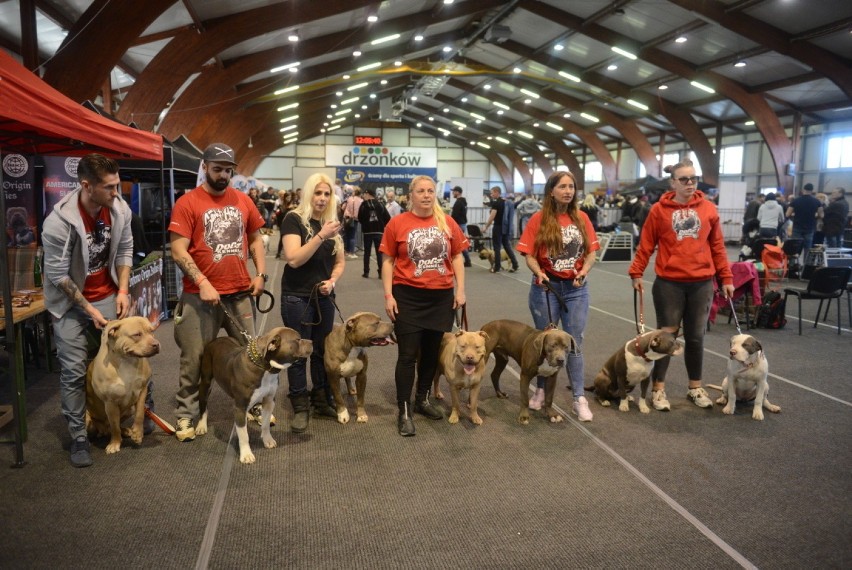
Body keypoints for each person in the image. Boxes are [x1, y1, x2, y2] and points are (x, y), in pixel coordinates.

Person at [168, 143, 267, 442]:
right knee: (194, 359)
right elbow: (177, 249)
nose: (223, 175)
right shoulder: (187, 203)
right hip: (199, 298)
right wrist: (202, 282)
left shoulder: (243, 201)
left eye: (228, 170)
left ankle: (253, 406)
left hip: (239, 295)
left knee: (253, 353)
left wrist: (260, 273)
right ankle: (186, 415)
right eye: (217, 169)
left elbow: (256, 239)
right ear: (204, 166)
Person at [42, 153, 135, 467]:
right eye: (109, 187)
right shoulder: (57, 223)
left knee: (125, 355)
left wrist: (122, 290)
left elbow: (124, 249)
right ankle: (79, 435)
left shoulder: (119, 209)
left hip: (108, 294)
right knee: (73, 371)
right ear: (86, 186)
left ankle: (134, 417)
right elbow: (58, 276)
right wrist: (90, 311)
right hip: (69, 303)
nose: (115, 192)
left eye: (117, 185)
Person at [629, 158, 734, 411]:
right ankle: (658, 390)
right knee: (666, 338)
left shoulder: (708, 208)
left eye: (693, 179)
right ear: (673, 182)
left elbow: (717, 246)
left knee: (696, 338)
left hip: (701, 283)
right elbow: (646, 244)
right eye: (684, 179)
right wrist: (636, 272)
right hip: (669, 284)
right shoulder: (658, 210)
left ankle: (695, 388)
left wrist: (726, 278)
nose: (690, 183)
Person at [380, 175, 467, 436]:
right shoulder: (397, 223)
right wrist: (388, 295)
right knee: (407, 355)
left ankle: (422, 399)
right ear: (411, 195)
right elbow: (387, 261)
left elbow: (457, 256)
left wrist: (460, 289)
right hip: (407, 296)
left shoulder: (447, 221)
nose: (427, 195)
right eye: (421, 191)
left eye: (430, 191)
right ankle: (404, 409)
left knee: (431, 354)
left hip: (441, 298)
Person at [516, 171, 598, 422]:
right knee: (545, 344)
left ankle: (578, 398)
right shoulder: (538, 219)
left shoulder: (582, 218)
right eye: (562, 186)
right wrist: (539, 272)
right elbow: (529, 255)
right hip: (545, 288)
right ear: (551, 191)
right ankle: (540, 390)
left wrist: (583, 272)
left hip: (576, 290)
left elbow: (591, 252)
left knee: (574, 343)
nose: (568, 191)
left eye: (571, 186)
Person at [786, 183, 824, 265]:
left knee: (794, 247)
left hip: (797, 227)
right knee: (808, 248)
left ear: (803, 190)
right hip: (810, 227)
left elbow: (787, 214)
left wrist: (794, 215)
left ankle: (792, 266)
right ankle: (806, 267)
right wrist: (815, 216)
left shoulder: (796, 200)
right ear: (812, 190)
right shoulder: (816, 201)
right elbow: (821, 215)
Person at [484, 186, 519, 273]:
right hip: (505, 227)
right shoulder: (506, 202)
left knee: (497, 247)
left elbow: (492, 216)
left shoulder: (496, 203)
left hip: (498, 227)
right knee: (507, 246)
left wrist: (486, 226)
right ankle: (515, 264)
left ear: (496, 192)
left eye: (492, 193)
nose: (491, 195)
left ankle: (497, 267)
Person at [357, 187, 390, 278]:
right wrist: (382, 225)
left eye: (364, 194)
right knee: (379, 253)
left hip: (367, 232)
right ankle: (380, 272)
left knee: (367, 253)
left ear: (368, 194)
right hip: (379, 232)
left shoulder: (363, 205)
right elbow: (387, 217)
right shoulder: (380, 204)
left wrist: (365, 224)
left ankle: (366, 272)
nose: (363, 196)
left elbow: (359, 217)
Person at [450, 186, 472, 267]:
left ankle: (467, 260)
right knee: (460, 242)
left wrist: (450, 222)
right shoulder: (463, 202)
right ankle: (467, 260)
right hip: (462, 224)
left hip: (458, 225)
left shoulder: (458, 202)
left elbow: (455, 215)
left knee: (458, 243)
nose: (453, 193)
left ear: (458, 192)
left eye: (454, 191)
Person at [342, 187, 363, 258]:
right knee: (352, 236)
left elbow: (343, 207)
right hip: (354, 219)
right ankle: (352, 253)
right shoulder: (361, 201)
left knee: (347, 235)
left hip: (347, 218)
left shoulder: (349, 199)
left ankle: (347, 251)